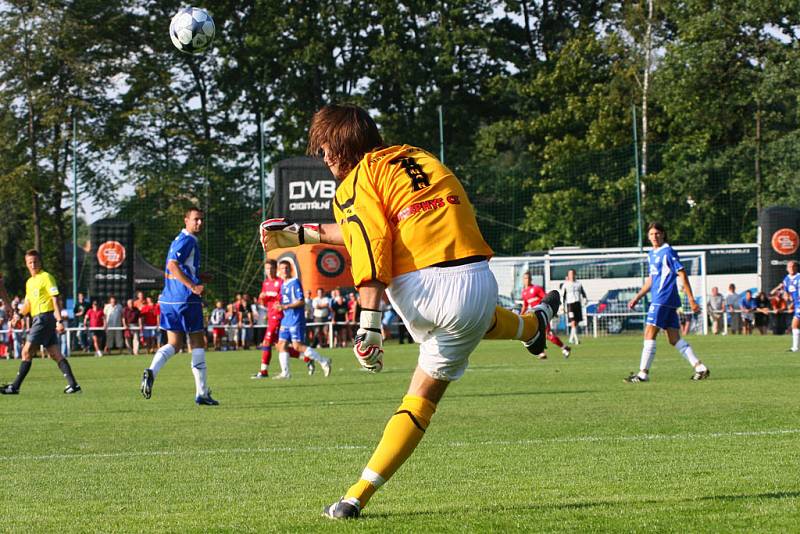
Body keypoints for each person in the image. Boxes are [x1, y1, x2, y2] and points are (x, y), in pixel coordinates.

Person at [260, 104, 559, 519]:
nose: (324, 157)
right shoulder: (419, 158)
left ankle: (355, 498)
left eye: (326, 147)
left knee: (418, 400)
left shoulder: (354, 182)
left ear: (345, 146)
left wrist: (368, 325)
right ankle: (533, 326)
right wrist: (300, 234)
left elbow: (371, 245)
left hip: (424, 288)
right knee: (470, 324)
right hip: (477, 280)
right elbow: (380, 226)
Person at [140, 207, 218, 405]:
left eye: (202, 220)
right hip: (186, 299)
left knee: (174, 344)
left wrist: (200, 277)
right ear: (186, 220)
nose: (199, 223)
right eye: (196, 219)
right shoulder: (188, 240)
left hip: (168, 300)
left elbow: (180, 267)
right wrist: (193, 286)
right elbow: (172, 265)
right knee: (197, 343)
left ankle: (151, 371)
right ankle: (201, 393)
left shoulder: (178, 240)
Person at [625, 223, 710, 383]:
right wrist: (637, 297)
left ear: (663, 234)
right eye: (651, 234)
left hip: (662, 299)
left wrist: (691, 299)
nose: (654, 236)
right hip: (665, 301)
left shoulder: (668, 252)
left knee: (649, 333)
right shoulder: (651, 254)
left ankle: (643, 374)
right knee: (674, 339)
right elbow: (652, 279)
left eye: (657, 233)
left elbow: (682, 273)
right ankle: (700, 367)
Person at [0, 250, 81, 395]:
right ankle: (73, 385)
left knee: (26, 352)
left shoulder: (47, 277)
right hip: (40, 318)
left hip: (44, 318)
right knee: (55, 353)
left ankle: (15, 387)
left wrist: (59, 320)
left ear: (40, 262)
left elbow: (55, 300)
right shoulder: (30, 282)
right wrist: (18, 315)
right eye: (30, 262)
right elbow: (28, 304)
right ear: (26, 264)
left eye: (35, 261)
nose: (33, 264)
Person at [271, 260, 331, 379]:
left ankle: (324, 361)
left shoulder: (295, 282)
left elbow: (301, 301)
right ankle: (285, 373)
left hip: (295, 319)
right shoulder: (283, 284)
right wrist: (279, 305)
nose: (285, 270)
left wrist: (285, 306)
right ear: (279, 270)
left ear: (290, 269)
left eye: (287, 268)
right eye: (283, 268)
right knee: (281, 345)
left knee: (297, 346)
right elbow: (286, 301)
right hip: (286, 318)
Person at [252, 259, 307, 378]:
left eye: (271, 268)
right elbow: (265, 300)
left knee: (266, 341)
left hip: (279, 316)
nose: (269, 271)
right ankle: (306, 358)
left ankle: (263, 371)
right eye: (267, 269)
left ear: (275, 269)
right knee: (280, 346)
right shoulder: (265, 283)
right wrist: (262, 298)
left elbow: (284, 298)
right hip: (270, 316)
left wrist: (273, 298)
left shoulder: (281, 282)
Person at [521, 272, 570, 359]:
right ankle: (549, 351)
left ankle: (563, 348)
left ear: (531, 279)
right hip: (533, 316)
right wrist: (521, 315)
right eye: (525, 278)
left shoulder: (537, 289)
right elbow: (525, 305)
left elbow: (545, 298)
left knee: (546, 334)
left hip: (543, 315)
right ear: (523, 280)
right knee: (540, 334)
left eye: (528, 278)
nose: (527, 280)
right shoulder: (524, 292)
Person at [770, 260, 799, 352]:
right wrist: (787, 298)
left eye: (793, 266)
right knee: (795, 325)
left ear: (796, 267)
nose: (791, 268)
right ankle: (795, 347)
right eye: (789, 267)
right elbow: (787, 293)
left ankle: (795, 348)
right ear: (787, 269)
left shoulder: (799, 277)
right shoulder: (786, 279)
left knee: (795, 324)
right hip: (797, 304)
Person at [560, 269, 587, 345]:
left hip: (577, 304)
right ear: (568, 275)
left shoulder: (578, 284)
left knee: (576, 323)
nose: (571, 275)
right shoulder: (566, 285)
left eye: (572, 274)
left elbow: (583, 293)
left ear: (575, 274)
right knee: (573, 322)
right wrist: (562, 305)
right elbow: (563, 296)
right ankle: (576, 339)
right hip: (570, 305)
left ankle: (571, 339)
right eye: (570, 274)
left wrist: (585, 299)